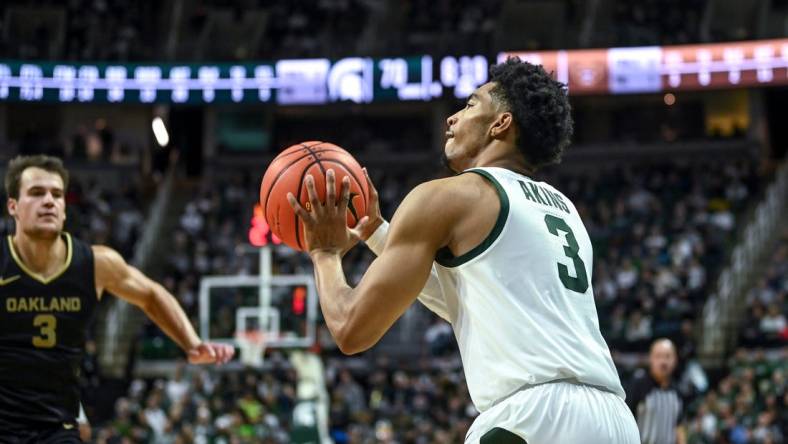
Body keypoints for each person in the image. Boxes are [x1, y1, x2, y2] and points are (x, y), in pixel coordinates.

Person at [288, 58, 640, 443]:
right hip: (614, 420)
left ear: (501, 123)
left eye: (471, 105)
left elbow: (351, 329)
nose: (451, 119)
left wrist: (324, 252)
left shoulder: (450, 195)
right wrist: (376, 233)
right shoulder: (565, 209)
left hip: (533, 418)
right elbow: (468, 301)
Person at [0, 155, 234, 443]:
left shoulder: (95, 263)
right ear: (13, 206)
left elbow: (150, 294)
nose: (49, 201)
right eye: (36, 193)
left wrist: (192, 343)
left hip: (56, 424)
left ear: (64, 208)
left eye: (57, 195)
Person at [627, 338, 686, 444]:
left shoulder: (677, 391)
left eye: (667, 356)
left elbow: (679, 426)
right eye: (658, 356)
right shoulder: (638, 385)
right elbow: (625, 420)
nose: (663, 361)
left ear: (675, 360)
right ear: (651, 359)